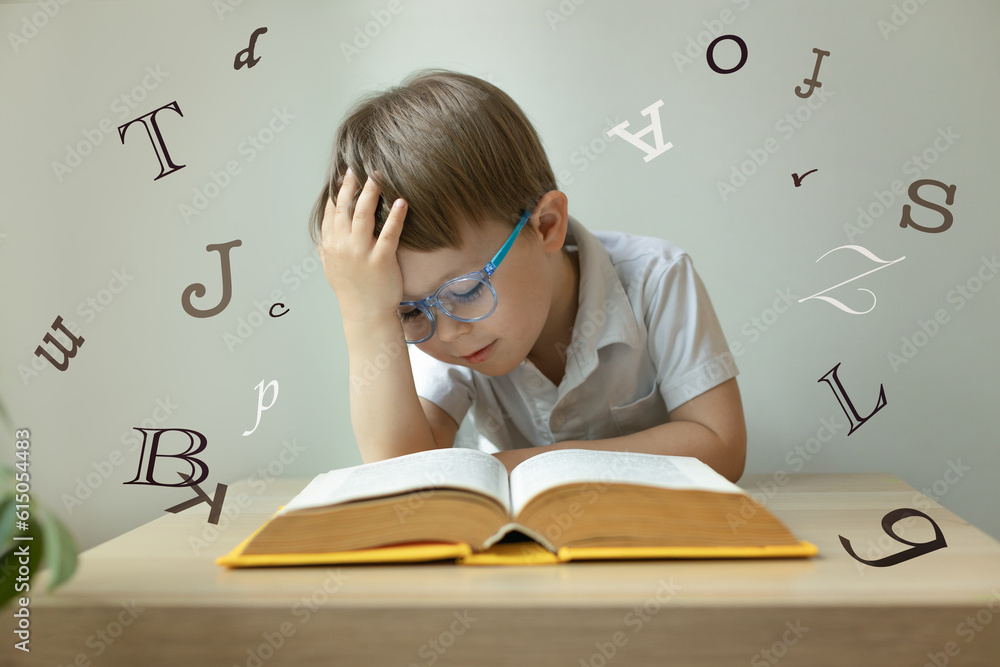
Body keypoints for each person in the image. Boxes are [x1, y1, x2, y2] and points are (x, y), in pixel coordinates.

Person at [309, 68, 746, 482]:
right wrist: (365, 315)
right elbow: (401, 475)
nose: (449, 332)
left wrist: (514, 465)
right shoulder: (435, 320)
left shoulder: (656, 277)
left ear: (547, 225)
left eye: (468, 291)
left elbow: (721, 446)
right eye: (407, 313)